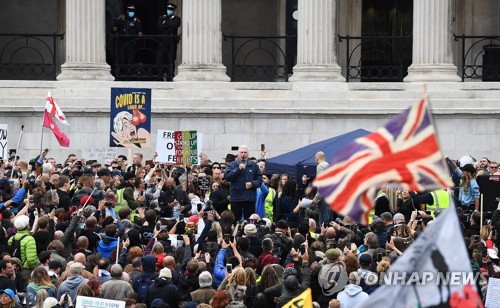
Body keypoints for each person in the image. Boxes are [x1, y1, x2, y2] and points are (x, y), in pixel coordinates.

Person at [224, 145, 262, 220]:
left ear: (248, 154)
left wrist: (252, 184)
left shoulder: (254, 166)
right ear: (238, 154)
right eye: (241, 152)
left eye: (245, 152)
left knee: (250, 221)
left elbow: (260, 180)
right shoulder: (232, 165)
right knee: (235, 221)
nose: (243, 154)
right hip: (236, 198)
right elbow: (227, 177)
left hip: (249, 198)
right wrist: (238, 169)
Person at [155, 3, 181, 81]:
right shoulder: (161, 18)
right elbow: (159, 26)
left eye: (170, 10)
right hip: (163, 41)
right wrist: (169, 25)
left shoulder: (177, 19)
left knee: (171, 59)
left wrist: (166, 23)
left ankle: (170, 76)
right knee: (160, 58)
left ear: (173, 11)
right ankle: (159, 76)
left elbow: (175, 25)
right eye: (168, 9)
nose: (169, 11)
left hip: (172, 42)